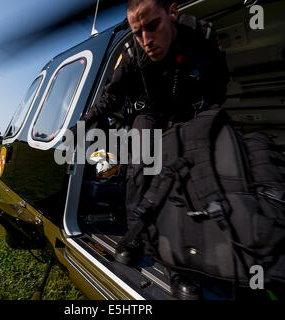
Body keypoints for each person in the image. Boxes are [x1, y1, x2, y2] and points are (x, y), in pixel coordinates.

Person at [70, 0, 228, 279]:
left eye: (153, 26)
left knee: (185, 177)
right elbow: (111, 97)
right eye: (137, 31)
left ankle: (181, 264)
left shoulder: (202, 36)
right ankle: (134, 235)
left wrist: (206, 121)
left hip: (187, 112)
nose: (146, 40)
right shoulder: (132, 53)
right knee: (140, 169)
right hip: (150, 112)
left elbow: (218, 85)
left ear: (173, 13)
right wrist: (81, 126)